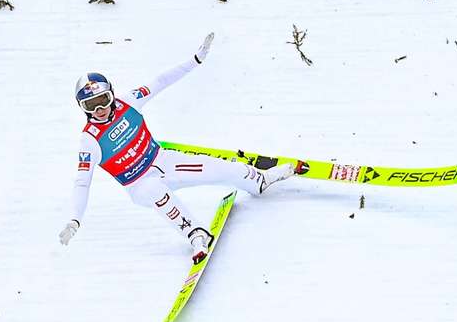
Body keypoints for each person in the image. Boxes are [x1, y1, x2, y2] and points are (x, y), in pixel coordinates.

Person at [58, 33, 294, 263]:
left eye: (103, 100)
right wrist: (74, 220)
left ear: (112, 94)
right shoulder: (89, 140)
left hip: (162, 160)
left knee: (222, 169)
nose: (99, 109)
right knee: (156, 192)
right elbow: (82, 182)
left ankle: (259, 181)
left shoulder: (128, 102)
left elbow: (160, 81)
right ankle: (196, 235)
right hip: (138, 184)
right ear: (82, 107)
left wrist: (195, 60)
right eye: (91, 105)